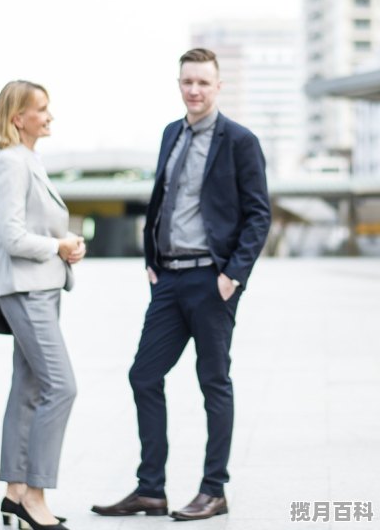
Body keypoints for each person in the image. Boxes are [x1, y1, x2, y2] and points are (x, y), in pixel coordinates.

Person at [91, 48, 271, 521]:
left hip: (212, 282)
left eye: (203, 83)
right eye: (187, 82)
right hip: (168, 281)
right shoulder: (171, 133)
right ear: (179, 84)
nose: (194, 90)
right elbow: (163, 200)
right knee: (144, 375)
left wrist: (233, 276)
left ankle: (214, 489)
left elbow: (258, 214)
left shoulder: (240, 141)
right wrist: (152, 261)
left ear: (217, 87)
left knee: (213, 382)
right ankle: (150, 489)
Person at [0, 80, 86, 530]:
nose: (49, 116)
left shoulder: (30, 160)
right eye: (41, 109)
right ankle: (35, 496)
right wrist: (59, 245)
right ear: (17, 118)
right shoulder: (11, 163)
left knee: (28, 388)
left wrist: (61, 248)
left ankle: (13, 493)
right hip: (26, 290)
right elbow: (10, 237)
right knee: (61, 387)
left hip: (39, 288)